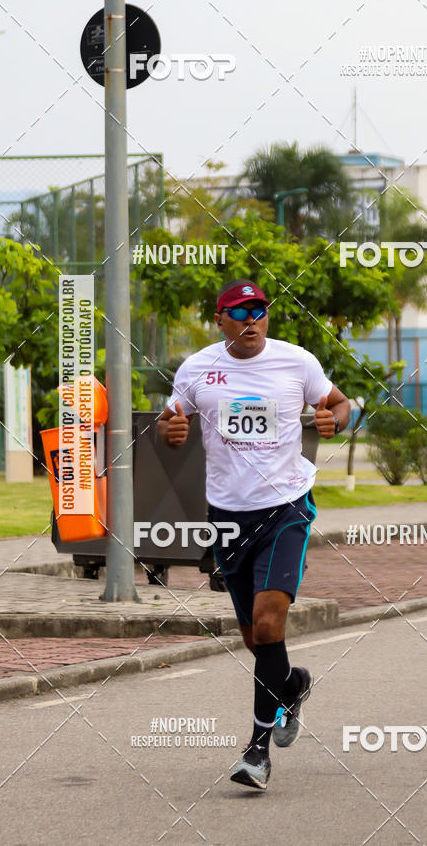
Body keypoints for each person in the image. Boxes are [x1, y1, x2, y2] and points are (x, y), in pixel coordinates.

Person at [157, 279, 351, 790]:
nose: (251, 320)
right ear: (220, 320)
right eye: (239, 311)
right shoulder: (197, 368)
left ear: (267, 316)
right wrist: (170, 432)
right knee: (254, 637)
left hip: (286, 507)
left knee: (269, 623)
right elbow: (171, 419)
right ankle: (293, 684)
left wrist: (336, 419)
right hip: (227, 515)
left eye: (259, 310)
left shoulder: (297, 361)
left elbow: (340, 402)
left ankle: (256, 753)